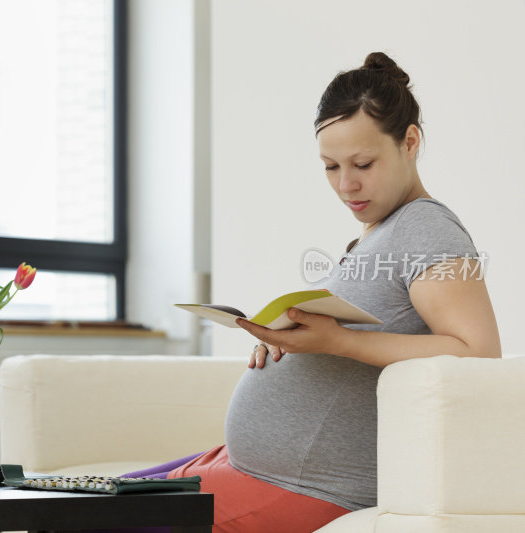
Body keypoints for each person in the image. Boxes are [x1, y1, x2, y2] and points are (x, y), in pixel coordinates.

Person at [123, 52, 501, 533]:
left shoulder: (427, 227)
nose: (346, 185)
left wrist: (334, 341)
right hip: (251, 467)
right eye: (330, 166)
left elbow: (479, 354)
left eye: (363, 163)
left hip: (305, 487)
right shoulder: (380, 230)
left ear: (410, 142)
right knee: (68, 502)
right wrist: (288, 336)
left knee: (82, 519)